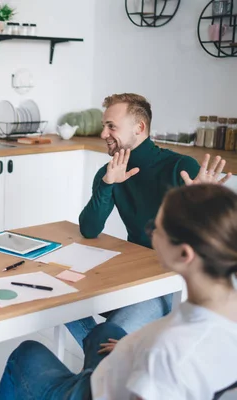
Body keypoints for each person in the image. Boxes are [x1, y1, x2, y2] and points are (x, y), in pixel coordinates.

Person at [0, 184, 237, 400]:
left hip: (95, 391)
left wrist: (139, 354)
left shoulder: (168, 352)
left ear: (184, 254)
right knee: (104, 331)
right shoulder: (221, 305)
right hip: (123, 369)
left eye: (156, 228)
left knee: (26, 353)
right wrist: (131, 349)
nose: (151, 234)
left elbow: (167, 358)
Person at [67, 93, 233, 346]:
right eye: (104, 126)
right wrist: (107, 185)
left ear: (139, 128)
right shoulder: (109, 171)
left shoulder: (180, 166)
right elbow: (89, 229)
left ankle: (109, 358)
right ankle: (112, 357)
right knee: (61, 300)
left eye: (111, 126)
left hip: (168, 279)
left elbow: (208, 242)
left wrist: (203, 200)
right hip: (131, 269)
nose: (103, 134)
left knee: (110, 338)